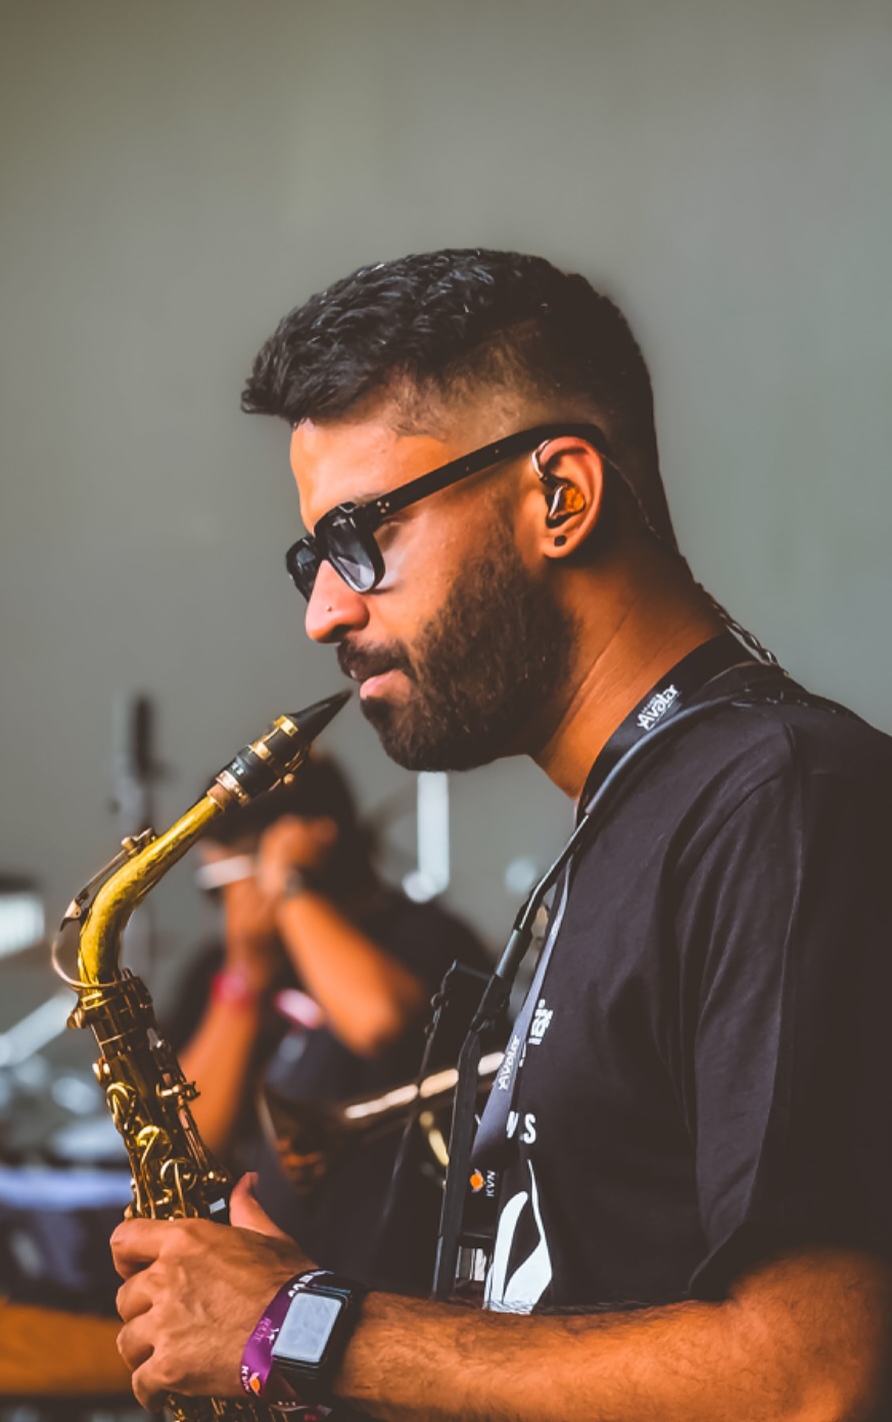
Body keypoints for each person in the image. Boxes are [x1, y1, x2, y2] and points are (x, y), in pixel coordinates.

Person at [111, 249, 892, 1420]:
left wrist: (303, 1327)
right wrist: (301, 1319)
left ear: (559, 496)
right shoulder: (631, 819)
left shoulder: (778, 797)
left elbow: (812, 1382)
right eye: (309, 556)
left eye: (360, 535)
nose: (323, 609)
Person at [165, 754, 491, 1292]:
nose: (225, 905)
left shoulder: (424, 938)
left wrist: (291, 888)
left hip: (400, 1280)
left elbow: (377, 1021)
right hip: (266, 1286)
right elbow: (193, 1140)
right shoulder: (221, 971)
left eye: (234, 877)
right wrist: (245, 975)